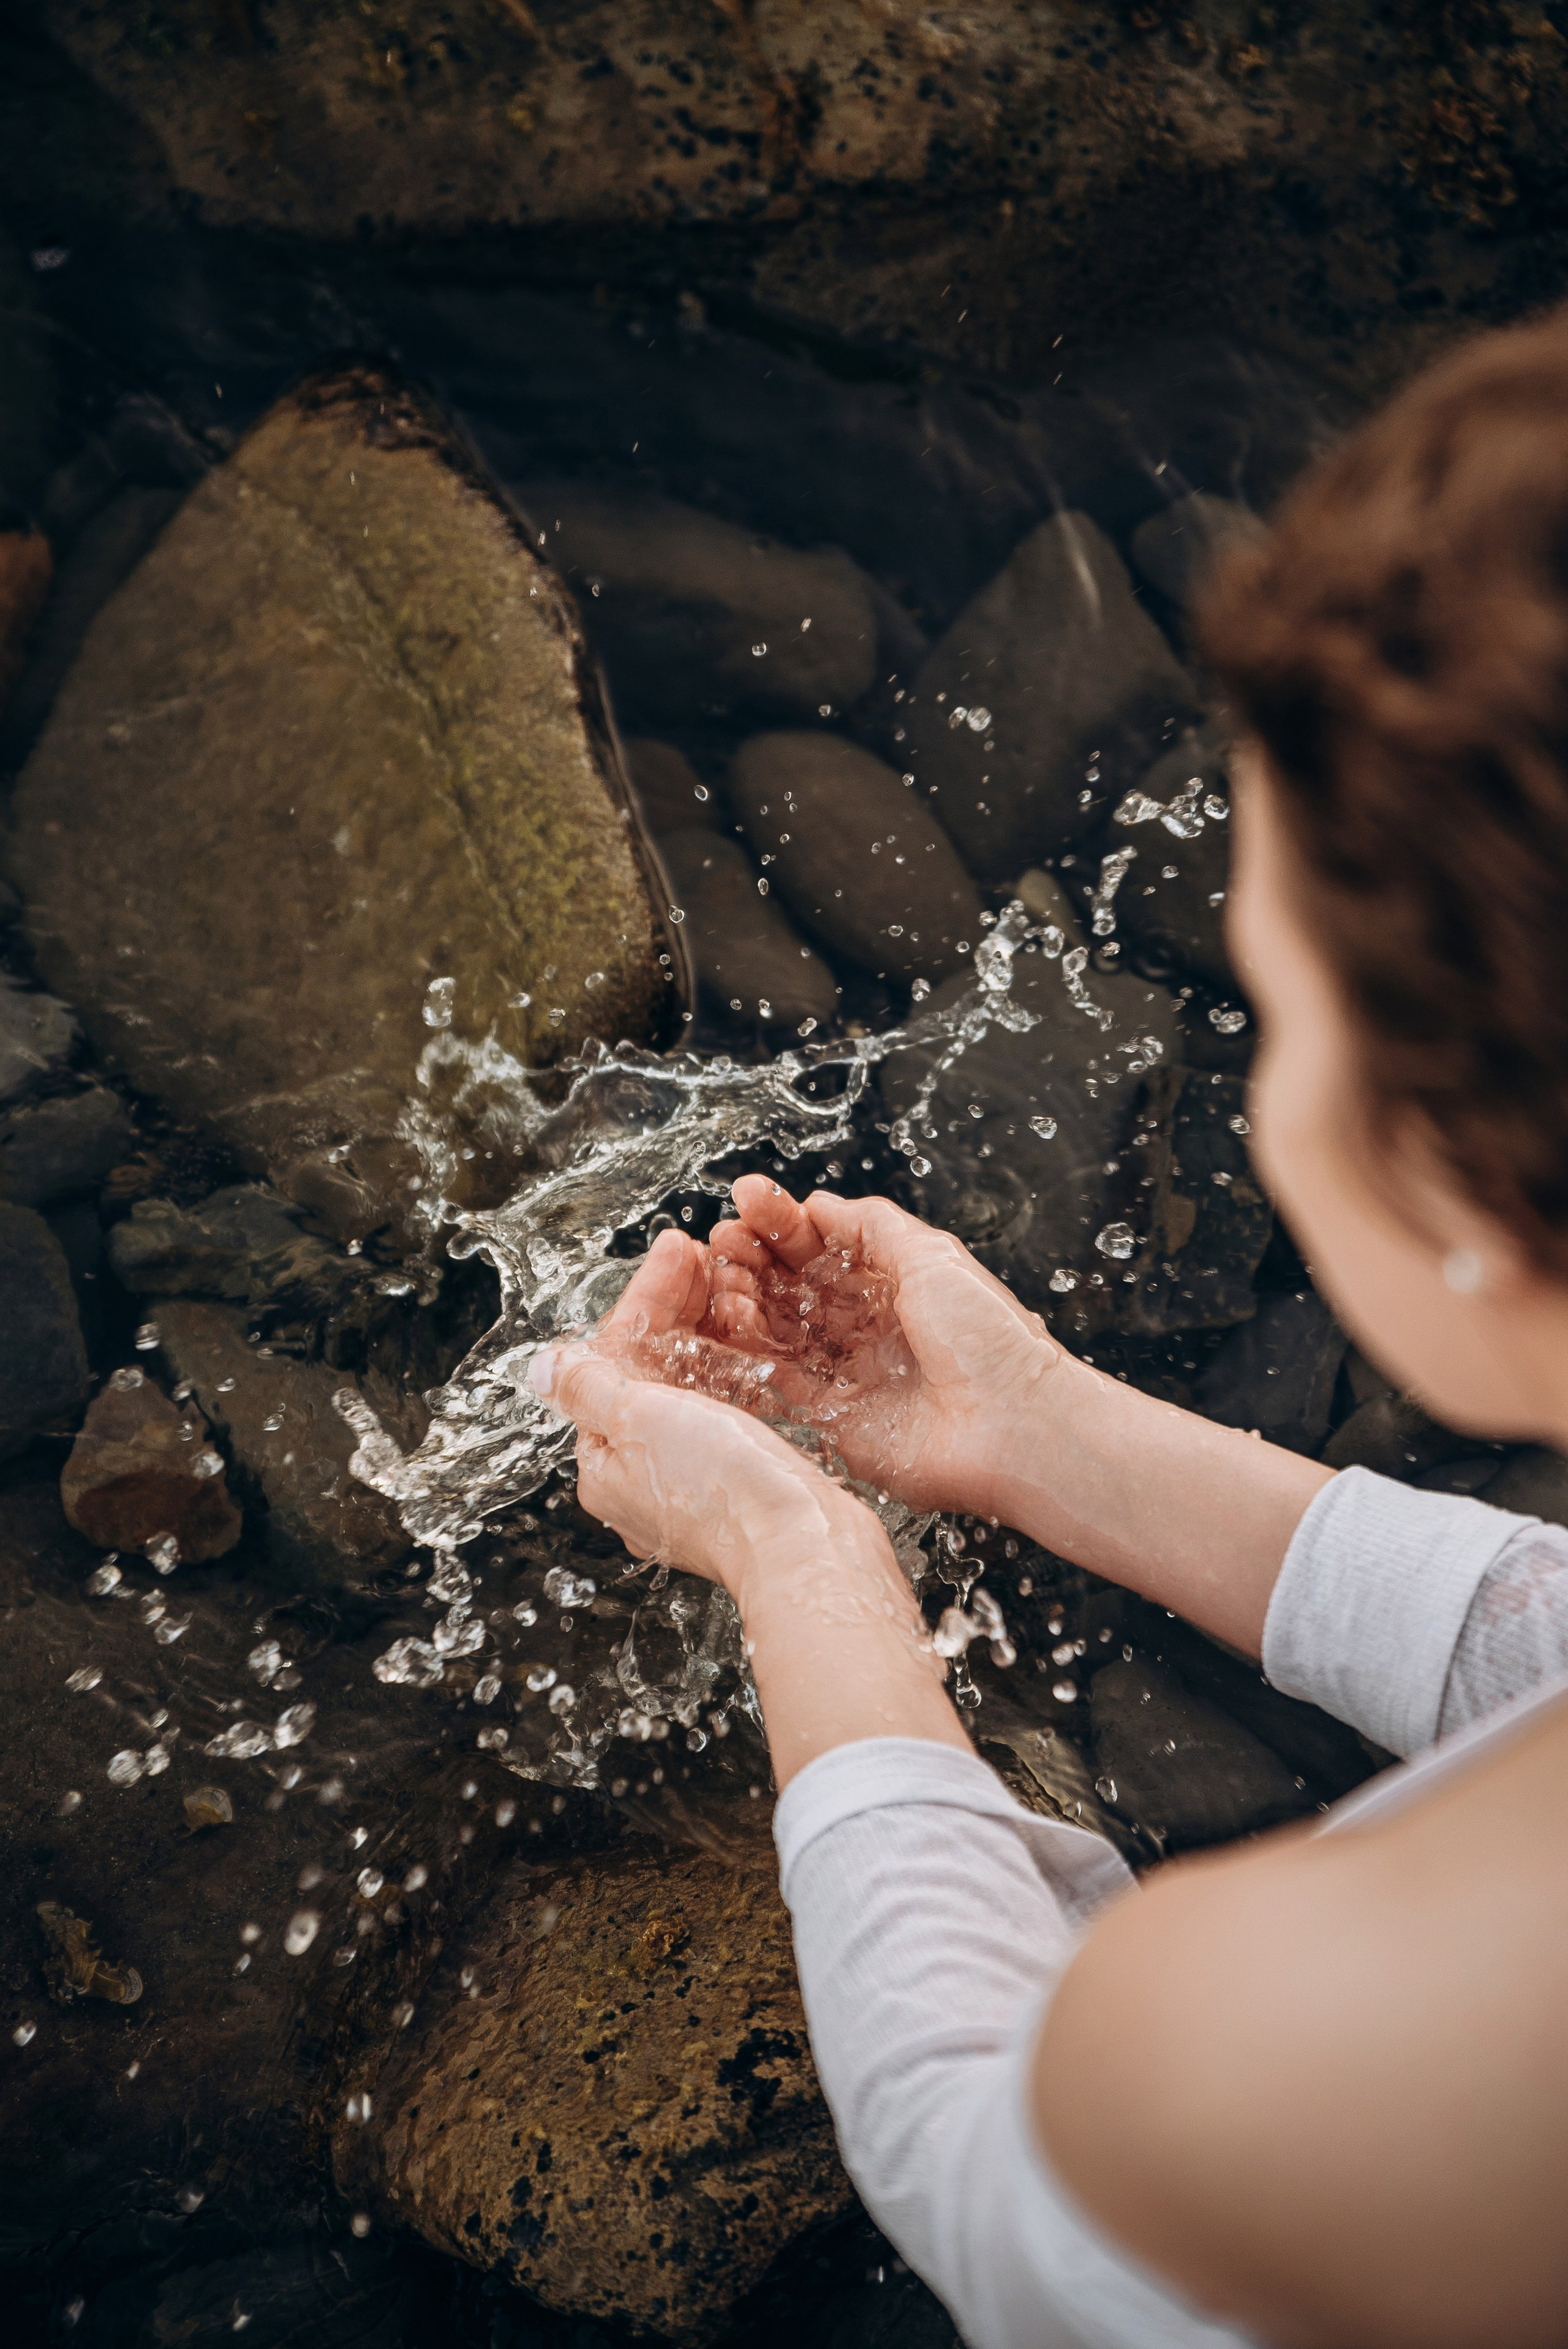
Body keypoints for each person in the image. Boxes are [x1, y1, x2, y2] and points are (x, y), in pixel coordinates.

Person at [528, 311, 1568, 2348]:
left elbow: (1001, 2174)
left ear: (1466, 1184)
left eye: (1282, 1009)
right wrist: (1040, 1430)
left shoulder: (1324, 2044)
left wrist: (801, 1559)